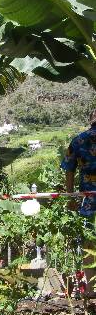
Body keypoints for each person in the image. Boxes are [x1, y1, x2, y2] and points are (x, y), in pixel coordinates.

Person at [61, 109, 96, 298]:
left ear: (90, 120)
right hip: (89, 199)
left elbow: (69, 169)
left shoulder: (79, 140)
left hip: (88, 201)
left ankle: (91, 289)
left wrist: (71, 196)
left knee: (90, 244)